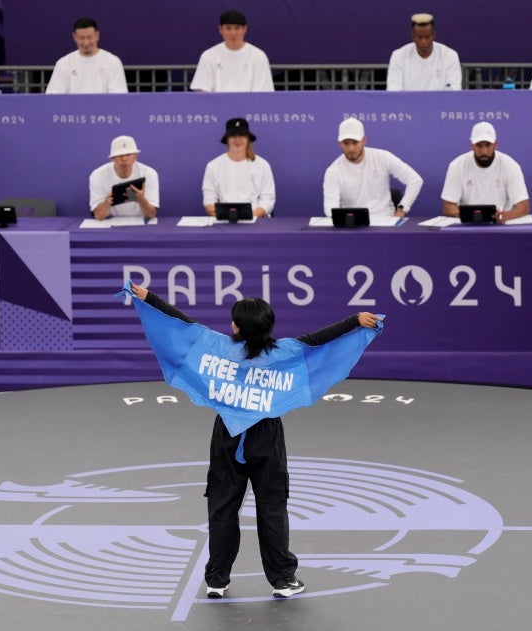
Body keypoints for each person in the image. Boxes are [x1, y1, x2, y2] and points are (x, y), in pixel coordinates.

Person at [126, 282, 382, 598]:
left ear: (235, 326)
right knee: (272, 509)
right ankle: (283, 580)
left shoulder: (214, 347)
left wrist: (149, 299)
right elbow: (320, 340)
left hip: (227, 439)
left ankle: (217, 580)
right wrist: (355, 321)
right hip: (267, 437)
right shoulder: (286, 353)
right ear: (269, 325)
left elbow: (181, 325)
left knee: (222, 509)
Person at [323, 118, 423, 219]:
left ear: (364, 141)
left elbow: (415, 180)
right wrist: (341, 220)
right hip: (351, 224)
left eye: (355, 142)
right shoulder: (333, 171)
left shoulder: (383, 157)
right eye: (346, 143)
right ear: (340, 143)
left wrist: (402, 209)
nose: (351, 148)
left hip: (385, 221)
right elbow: (330, 207)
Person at [440, 121, 530, 223]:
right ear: (472, 146)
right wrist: (472, 216)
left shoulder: (510, 166)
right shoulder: (457, 166)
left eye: (488, 145)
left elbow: (523, 206)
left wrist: (507, 215)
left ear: (495, 144)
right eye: (479, 145)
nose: (484, 151)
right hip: (467, 226)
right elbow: (448, 206)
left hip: (501, 225)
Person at [202, 118, 275, 218]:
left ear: (248, 139)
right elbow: (209, 201)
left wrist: (249, 216)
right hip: (224, 222)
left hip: (256, 221)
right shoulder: (213, 166)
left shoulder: (263, 165)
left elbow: (268, 200)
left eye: (242, 135)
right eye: (233, 135)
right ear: (227, 139)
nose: (237, 139)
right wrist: (226, 216)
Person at [191, 10, 274, 92]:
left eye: (237, 28)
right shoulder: (208, 56)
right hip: (217, 104)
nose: (233, 33)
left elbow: (263, 93)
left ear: (245, 29)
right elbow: (202, 91)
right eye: (228, 28)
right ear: (220, 29)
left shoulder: (258, 56)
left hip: (249, 105)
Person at [46, 17, 128, 94]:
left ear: (97, 35)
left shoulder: (112, 61)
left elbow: (118, 95)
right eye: (81, 38)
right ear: (74, 37)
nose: (86, 43)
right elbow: (54, 94)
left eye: (90, 37)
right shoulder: (63, 63)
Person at [89, 135, 159, 221]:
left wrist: (142, 200)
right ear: (112, 158)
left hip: (140, 223)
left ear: (135, 157)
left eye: (129, 154)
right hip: (111, 223)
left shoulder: (149, 173)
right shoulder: (97, 175)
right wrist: (107, 202)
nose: (124, 159)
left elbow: (151, 215)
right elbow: (98, 216)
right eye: (119, 155)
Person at [386, 13, 462, 91]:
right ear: (412, 36)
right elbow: (394, 90)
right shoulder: (398, 56)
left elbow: (453, 90)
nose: (423, 41)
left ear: (434, 35)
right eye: (419, 37)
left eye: (427, 37)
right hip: (407, 103)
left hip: (440, 103)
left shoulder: (449, 55)